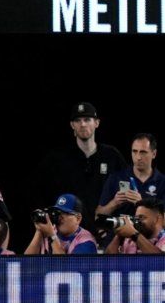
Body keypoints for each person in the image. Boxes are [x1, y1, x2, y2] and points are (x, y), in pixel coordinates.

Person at [38, 101, 127, 231]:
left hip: (106, 230)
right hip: (69, 233)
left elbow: (125, 190)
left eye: (87, 119)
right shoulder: (57, 159)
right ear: (72, 125)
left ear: (97, 123)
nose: (83, 124)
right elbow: (43, 193)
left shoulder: (112, 156)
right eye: (78, 120)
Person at [96, 133, 165, 218]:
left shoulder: (162, 182)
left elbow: (162, 220)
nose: (138, 157)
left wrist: (141, 204)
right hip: (118, 230)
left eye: (143, 152)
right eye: (135, 151)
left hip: (146, 231)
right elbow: (98, 215)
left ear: (154, 154)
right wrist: (114, 203)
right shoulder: (116, 178)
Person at [24, 194, 97, 255]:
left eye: (65, 213)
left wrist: (52, 236)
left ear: (78, 218)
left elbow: (66, 270)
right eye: (58, 213)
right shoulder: (50, 230)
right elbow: (26, 263)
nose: (59, 217)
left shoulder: (86, 241)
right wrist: (39, 231)